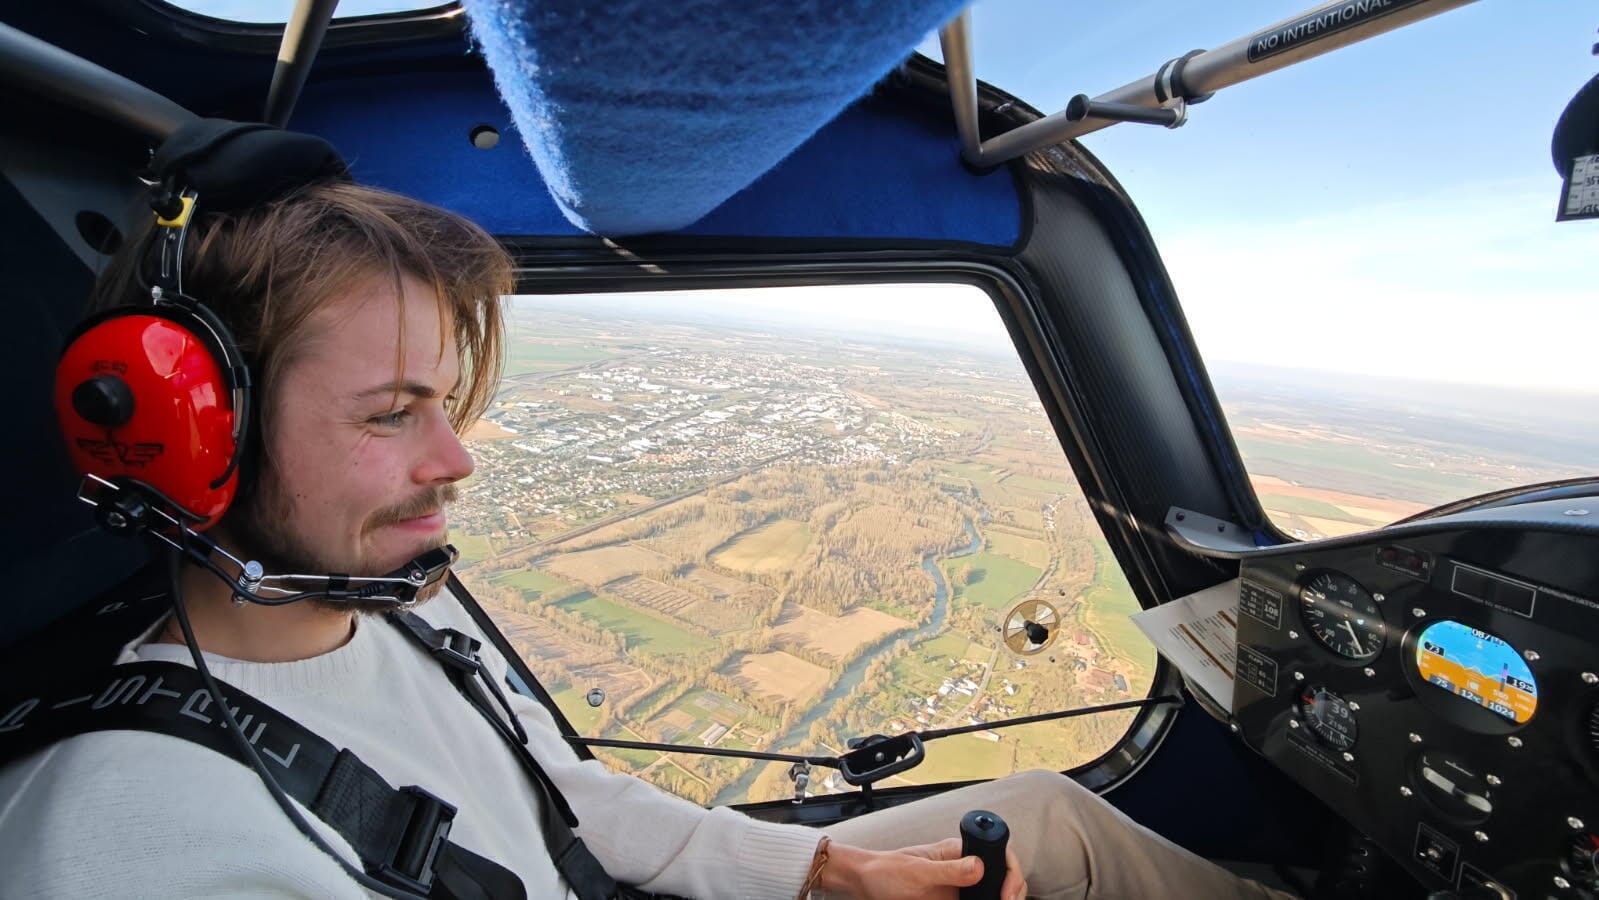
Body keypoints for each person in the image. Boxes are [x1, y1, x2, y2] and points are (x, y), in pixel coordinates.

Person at [0, 174, 1292, 900]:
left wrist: (822, 875)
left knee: (1044, 814)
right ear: (190, 433)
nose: (453, 462)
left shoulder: (396, 600)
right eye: (392, 414)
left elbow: (569, 800)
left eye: (447, 407)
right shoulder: (133, 840)